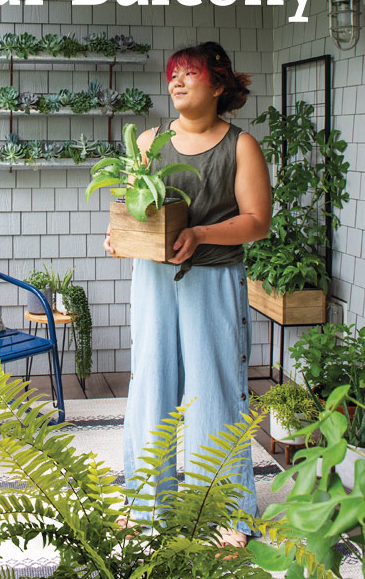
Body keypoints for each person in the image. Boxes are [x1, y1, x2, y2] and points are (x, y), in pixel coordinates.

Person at [103, 41, 271, 547]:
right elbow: (134, 204)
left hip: (213, 280)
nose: (175, 82)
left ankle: (221, 514)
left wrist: (199, 235)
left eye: (189, 74)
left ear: (218, 84)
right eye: (172, 74)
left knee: (212, 393)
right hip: (154, 281)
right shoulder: (150, 141)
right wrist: (119, 236)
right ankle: (145, 505)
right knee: (150, 386)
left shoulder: (240, 146)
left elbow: (257, 222)